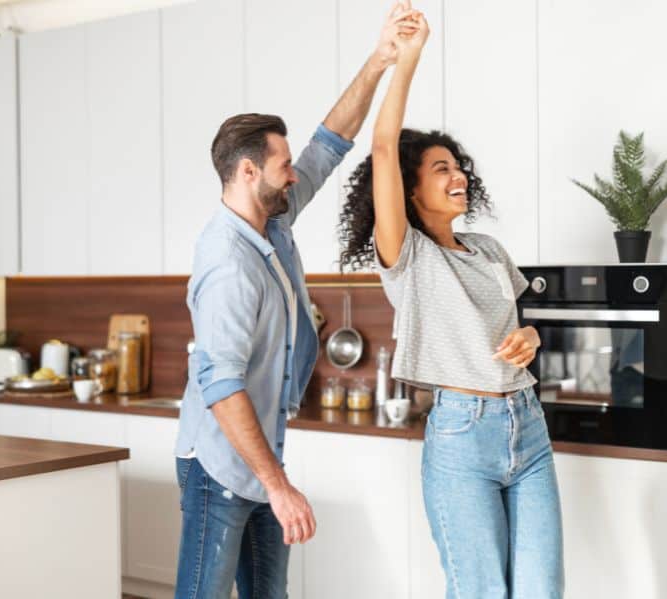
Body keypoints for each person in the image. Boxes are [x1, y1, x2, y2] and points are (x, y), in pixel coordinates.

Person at [172, 7, 419, 599]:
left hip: (258, 462)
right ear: (248, 171)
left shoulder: (272, 218)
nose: (294, 176)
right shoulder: (229, 265)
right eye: (283, 168)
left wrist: (383, 56)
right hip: (220, 468)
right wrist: (278, 485)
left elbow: (330, 142)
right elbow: (222, 387)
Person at [338, 3, 565, 598]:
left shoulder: (488, 250)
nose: (457, 174)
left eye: (458, 166)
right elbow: (384, 147)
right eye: (440, 169)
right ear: (411, 191)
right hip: (462, 439)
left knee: (543, 591)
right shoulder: (407, 256)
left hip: (527, 426)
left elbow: (526, 325)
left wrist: (532, 337)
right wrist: (406, 60)